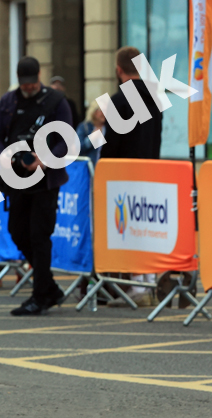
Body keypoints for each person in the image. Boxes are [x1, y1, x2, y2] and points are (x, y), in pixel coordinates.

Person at [0, 56, 72, 316]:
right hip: (16, 179)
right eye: (24, 84)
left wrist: (45, 160)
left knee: (39, 236)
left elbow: (66, 139)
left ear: (39, 77)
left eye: (32, 83)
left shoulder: (57, 102)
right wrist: (6, 156)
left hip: (45, 181)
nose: (28, 88)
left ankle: (40, 296)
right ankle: (49, 288)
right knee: (17, 231)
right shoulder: (8, 101)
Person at [101, 46, 164, 307]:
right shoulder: (156, 97)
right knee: (148, 227)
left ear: (118, 70)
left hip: (123, 174)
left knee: (128, 228)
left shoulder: (118, 100)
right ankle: (152, 277)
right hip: (151, 169)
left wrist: (103, 167)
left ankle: (138, 285)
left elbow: (112, 142)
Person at [76, 101, 105, 168]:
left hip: (105, 167)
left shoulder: (108, 129)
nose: (104, 113)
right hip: (89, 168)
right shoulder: (84, 127)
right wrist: (91, 139)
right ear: (94, 112)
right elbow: (78, 149)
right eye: (101, 110)